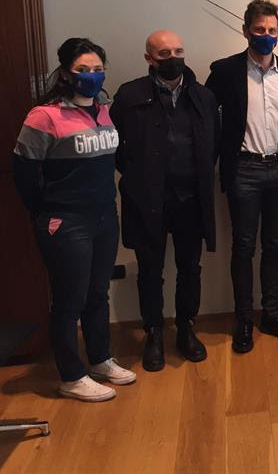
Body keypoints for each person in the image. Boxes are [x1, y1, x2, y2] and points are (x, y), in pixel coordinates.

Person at [13, 38, 136, 401]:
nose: (92, 76)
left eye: (98, 69)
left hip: (104, 215)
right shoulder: (44, 116)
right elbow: (24, 173)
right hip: (66, 221)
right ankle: (71, 375)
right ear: (66, 73)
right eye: (83, 70)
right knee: (70, 300)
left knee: (98, 293)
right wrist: (46, 210)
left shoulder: (104, 110)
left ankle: (99, 359)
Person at [110, 30, 219, 371]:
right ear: (149, 59)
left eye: (178, 51)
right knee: (149, 271)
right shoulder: (129, 95)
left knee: (190, 269)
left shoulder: (203, 96)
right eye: (164, 53)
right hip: (147, 201)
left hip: (191, 200)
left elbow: (213, 144)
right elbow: (114, 146)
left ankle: (186, 328)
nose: (173, 58)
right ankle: (154, 333)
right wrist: (138, 176)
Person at [206, 0, 278, 353]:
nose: (266, 35)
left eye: (272, 30)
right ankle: (244, 319)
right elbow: (206, 117)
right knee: (244, 246)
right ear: (246, 31)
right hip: (244, 170)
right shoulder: (225, 71)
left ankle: (272, 314)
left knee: (275, 245)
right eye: (259, 29)